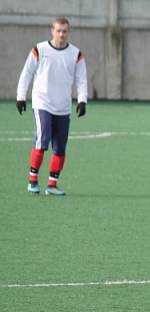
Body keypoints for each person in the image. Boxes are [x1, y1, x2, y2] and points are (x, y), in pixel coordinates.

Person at [16, 16, 88, 196]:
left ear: (68, 32)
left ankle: (52, 185)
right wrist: (20, 97)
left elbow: (81, 79)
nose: (61, 34)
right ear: (52, 31)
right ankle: (33, 180)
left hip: (63, 106)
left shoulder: (76, 54)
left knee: (60, 146)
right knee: (42, 140)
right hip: (42, 103)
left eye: (64, 31)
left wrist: (82, 100)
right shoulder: (39, 50)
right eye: (58, 30)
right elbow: (26, 74)